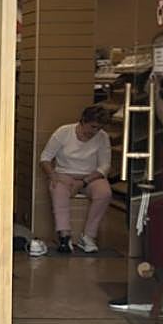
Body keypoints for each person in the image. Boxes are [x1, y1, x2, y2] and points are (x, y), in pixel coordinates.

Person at [40, 104, 112, 254]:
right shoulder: (64, 132)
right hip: (64, 174)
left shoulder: (102, 137)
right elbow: (45, 158)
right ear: (83, 121)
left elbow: (104, 166)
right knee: (58, 190)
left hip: (90, 177)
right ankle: (64, 236)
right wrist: (52, 175)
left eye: (98, 128)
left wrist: (83, 182)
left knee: (104, 193)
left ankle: (88, 236)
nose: (95, 131)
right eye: (92, 127)